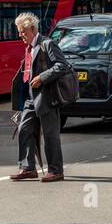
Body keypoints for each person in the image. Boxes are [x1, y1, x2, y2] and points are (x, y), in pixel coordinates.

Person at [10, 12, 73, 183]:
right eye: (19, 31)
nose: (20, 35)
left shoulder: (47, 44)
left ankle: (55, 170)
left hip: (47, 96)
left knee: (50, 134)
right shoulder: (29, 47)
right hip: (32, 97)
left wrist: (42, 77)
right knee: (24, 129)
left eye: (22, 31)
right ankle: (28, 168)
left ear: (32, 29)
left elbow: (62, 65)